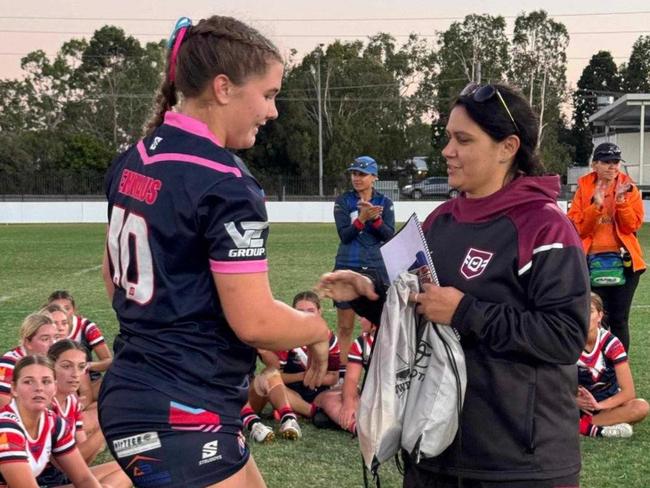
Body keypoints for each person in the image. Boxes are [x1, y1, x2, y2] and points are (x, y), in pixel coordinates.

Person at [319, 83, 590, 487]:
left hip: (517, 465)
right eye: (448, 137)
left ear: (507, 147)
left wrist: (466, 312)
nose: (447, 150)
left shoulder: (546, 225)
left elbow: (565, 336)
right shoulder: (440, 221)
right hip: (431, 451)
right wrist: (371, 295)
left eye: (463, 139)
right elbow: (421, 309)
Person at [99, 15, 330, 488]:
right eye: (268, 95)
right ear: (224, 88)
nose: (273, 112)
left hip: (150, 391)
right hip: (179, 407)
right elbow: (255, 322)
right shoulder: (225, 183)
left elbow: (113, 282)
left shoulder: (135, 157)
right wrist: (317, 328)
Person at [567, 142, 645, 352]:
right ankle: (596, 366)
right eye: (607, 162)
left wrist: (621, 201)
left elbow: (632, 225)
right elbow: (577, 228)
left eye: (616, 162)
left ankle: (618, 368)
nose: (612, 166)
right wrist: (596, 206)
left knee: (619, 320)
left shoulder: (628, 187)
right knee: (594, 320)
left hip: (625, 263)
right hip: (590, 263)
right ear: (595, 164)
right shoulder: (584, 186)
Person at [0, 355, 102, 488]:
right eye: (28, 382)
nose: (39, 388)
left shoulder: (54, 422)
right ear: (14, 389)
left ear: (54, 387)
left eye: (46, 381)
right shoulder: (6, 428)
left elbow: (83, 478)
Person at [333, 156, 394, 371]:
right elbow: (345, 236)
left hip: (376, 267)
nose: (356, 178)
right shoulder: (343, 201)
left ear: (374, 177)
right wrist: (361, 218)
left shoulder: (385, 202)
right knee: (345, 326)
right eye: (354, 173)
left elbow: (389, 235)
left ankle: (376, 371)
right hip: (347, 264)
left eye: (362, 174)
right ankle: (343, 376)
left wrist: (375, 220)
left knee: (378, 324)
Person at [577, 293, 648, 438]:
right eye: (580, 310)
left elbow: (628, 392)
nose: (585, 315)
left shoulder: (611, 343)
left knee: (641, 407)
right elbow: (554, 385)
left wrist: (599, 406)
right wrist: (574, 401)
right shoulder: (568, 343)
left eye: (590, 311)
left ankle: (582, 426)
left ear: (600, 315)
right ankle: (600, 429)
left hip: (607, 404)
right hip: (575, 405)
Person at [267, 291, 340, 419]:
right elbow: (277, 376)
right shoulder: (285, 338)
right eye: (300, 311)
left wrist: (312, 379)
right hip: (291, 391)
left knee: (348, 392)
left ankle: (296, 409)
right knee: (268, 379)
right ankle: (312, 412)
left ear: (319, 311)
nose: (306, 315)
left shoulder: (330, 339)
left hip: (319, 393)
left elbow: (333, 377)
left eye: (310, 311)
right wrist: (302, 376)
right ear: (292, 313)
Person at [47, 290, 112, 401]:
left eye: (66, 308)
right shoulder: (44, 332)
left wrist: (85, 366)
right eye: (56, 308)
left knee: (108, 399)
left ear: (74, 310)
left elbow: (109, 361)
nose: (62, 311)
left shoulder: (86, 327)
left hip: (88, 380)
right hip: (57, 383)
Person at [314, 316, 376, 433]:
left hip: (399, 399)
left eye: (364, 315)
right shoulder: (361, 342)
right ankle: (357, 428)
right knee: (326, 399)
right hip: (372, 398)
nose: (359, 319)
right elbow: (351, 379)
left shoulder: (401, 339)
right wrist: (348, 404)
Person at [0, 313, 57, 408]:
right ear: (28, 342)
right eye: (45, 339)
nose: (53, 344)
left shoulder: (51, 360)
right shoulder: (8, 365)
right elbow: (2, 400)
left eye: (56, 337)